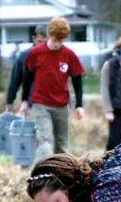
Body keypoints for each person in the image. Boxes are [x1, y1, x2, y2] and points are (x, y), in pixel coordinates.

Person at [19, 16, 85, 159]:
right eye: (55, 39)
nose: (57, 44)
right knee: (45, 141)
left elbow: (77, 80)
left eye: (61, 41)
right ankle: (44, 173)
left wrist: (79, 105)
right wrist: (24, 100)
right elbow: (27, 77)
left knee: (62, 144)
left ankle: (61, 175)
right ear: (49, 35)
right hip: (41, 104)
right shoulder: (36, 53)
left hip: (61, 104)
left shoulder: (69, 55)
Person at [5, 25, 48, 115]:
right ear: (34, 38)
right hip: (32, 104)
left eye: (45, 42)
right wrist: (9, 100)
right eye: (40, 41)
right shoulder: (24, 56)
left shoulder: (55, 57)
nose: (42, 45)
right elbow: (15, 80)